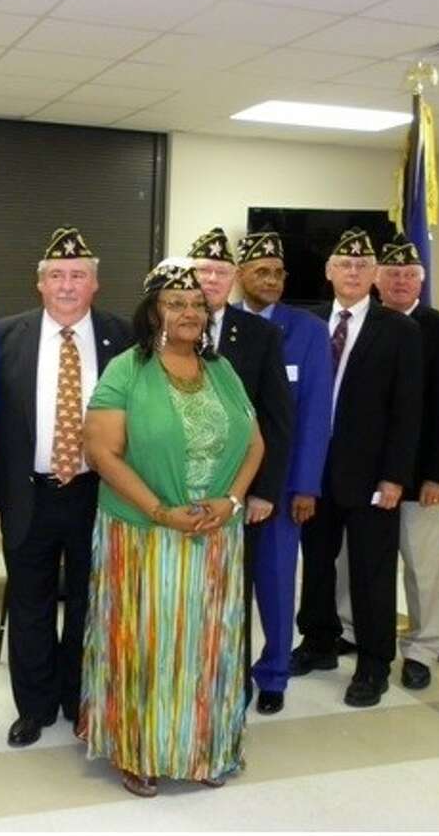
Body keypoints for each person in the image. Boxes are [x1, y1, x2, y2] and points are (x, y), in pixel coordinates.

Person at [80, 259, 264, 797]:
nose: (189, 312)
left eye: (196, 304)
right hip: (144, 538)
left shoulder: (222, 370)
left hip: (214, 540)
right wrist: (161, 511)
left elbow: (255, 445)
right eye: (175, 303)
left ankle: (205, 746)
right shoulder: (126, 370)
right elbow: (102, 453)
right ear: (153, 311)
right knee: (148, 647)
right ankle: (138, 748)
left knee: (208, 649)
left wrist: (232, 501)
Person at [0, 227, 132, 748]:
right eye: (57, 275)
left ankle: (79, 700)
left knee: (91, 601)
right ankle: (34, 708)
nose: (67, 285)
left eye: (78, 275)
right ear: (39, 284)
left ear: (95, 284)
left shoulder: (122, 339)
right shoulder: (3, 336)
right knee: (30, 603)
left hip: (97, 491)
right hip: (29, 492)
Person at [291, 227, 423, 708]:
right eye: (343, 264)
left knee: (372, 571)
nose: (351, 272)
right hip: (312, 473)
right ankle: (319, 641)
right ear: (328, 272)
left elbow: (409, 411)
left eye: (361, 265)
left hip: (370, 477)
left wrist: (395, 477)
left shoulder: (400, 329)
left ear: (375, 275)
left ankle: (373, 663)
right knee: (318, 564)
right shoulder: (305, 324)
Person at [335, 234, 439, 690]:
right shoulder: (358, 322)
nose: (400, 281)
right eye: (391, 273)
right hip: (364, 473)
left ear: (421, 280)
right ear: (377, 279)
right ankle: (353, 630)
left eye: (409, 275)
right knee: (359, 562)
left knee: (421, 565)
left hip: (418, 478)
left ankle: (421, 647)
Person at [187, 227, 293, 709]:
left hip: (238, 488)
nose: (210, 280)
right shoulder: (164, 327)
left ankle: (234, 684)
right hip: (175, 488)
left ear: (233, 279)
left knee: (235, 589)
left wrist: (265, 490)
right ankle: (188, 676)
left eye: (220, 272)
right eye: (203, 271)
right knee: (186, 592)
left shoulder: (260, 335)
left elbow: (276, 418)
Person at [234, 231, 332, 713]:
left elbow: (316, 414)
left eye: (277, 272)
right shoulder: (219, 327)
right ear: (239, 276)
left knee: (274, 584)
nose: (270, 280)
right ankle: (229, 673)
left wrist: (307, 485)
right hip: (225, 487)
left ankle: (273, 675)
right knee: (228, 588)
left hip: (282, 485)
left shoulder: (307, 331)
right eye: (260, 271)